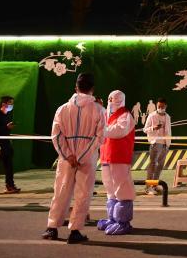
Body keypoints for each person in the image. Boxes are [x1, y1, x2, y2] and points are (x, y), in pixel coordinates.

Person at [42, 73, 105, 244]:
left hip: (66, 159)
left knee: (61, 191)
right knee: (83, 194)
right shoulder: (99, 110)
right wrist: (82, 156)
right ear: (92, 89)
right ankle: (75, 231)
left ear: (76, 87)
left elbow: (56, 135)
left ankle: (52, 227)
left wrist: (68, 156)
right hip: (87, 159)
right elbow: (100, 137)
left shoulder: (62, 109)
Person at [97, 90, 135, 235]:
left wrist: (101, 130)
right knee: (110, 189)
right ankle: (113, 218)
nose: (111, 101)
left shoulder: (125, 115)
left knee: (122, 188)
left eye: (113, 99)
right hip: (106, 157)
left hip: (119, 157)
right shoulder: (107, 115)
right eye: (110, 99)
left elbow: (119, 131)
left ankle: (123, 222)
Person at [0, 95, 20, 193]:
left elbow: (5, 131)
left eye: (12, 103)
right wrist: (6, 127)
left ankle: (10, 186)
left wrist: (8, 128)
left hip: (6, 145)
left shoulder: (7, 115)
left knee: (9, 167)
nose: (12, 105)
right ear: (4, 104)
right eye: (10, 103)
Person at [143, 97, 171, 195]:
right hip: (155, 143)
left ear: (166, 106)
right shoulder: (151, 116)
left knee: (160, 166)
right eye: (159, 106)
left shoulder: (168, 117)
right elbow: (145, 129)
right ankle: (148, 187)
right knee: (153, 165)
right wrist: (153, 128)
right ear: (156, 105)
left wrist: (168, 143)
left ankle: (155, 185)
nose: (160, 108)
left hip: (165, 144)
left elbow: (168, 131)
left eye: (162, 106)